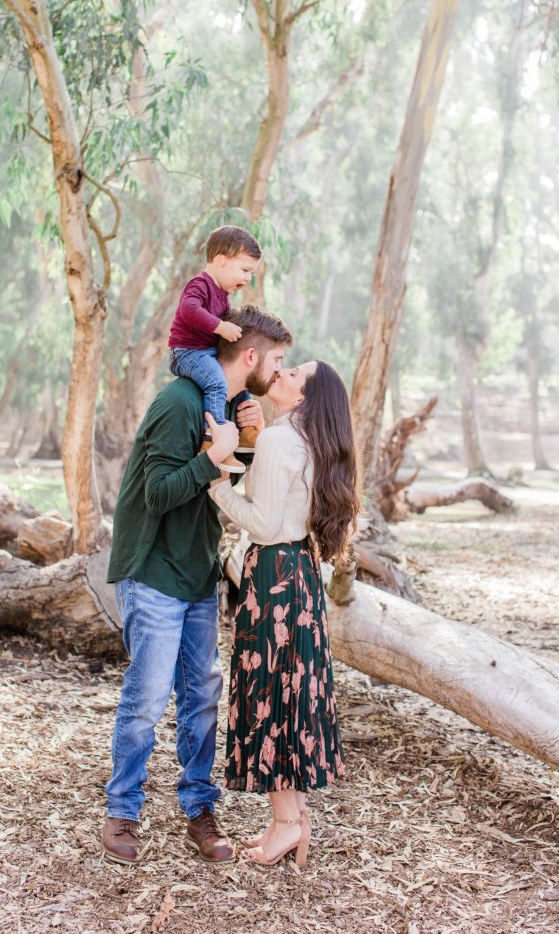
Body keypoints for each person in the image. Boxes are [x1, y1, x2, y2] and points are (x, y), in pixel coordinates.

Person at [102, 306, 293, 867]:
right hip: (154, 572)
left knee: (203, 698)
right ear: (251, 357)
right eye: (276, 360)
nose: (279, 371)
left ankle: (198, 808)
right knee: (147, 698)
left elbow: (234, 488)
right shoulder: (179, 402)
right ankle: (122, 810)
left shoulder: (231, 408)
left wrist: (249, 442)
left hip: (198, 574)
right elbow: (157, 493)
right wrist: (213, 457)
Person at [208, 360, 359, 867]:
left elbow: (264, 524)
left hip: (273, 572)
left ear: (301, 397)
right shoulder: (304, 440)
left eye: (293, 372)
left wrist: (216, 480)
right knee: (289, 695)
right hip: (300, 574)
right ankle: (288, 821)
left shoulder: (280, 439)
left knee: (268, 696)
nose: (282, 372)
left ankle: (288, 823)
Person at [168, 225, 263, 475]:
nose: (247, 278)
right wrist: (220, 326)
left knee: (241, 383)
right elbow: (188, 309)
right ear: (221, 261)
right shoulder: (200, 284)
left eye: (251, 273)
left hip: (206, 352)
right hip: (188, 352)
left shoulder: (223, 294)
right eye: (244, 270)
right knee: (217, 384)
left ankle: (246, 435)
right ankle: (212, 440)